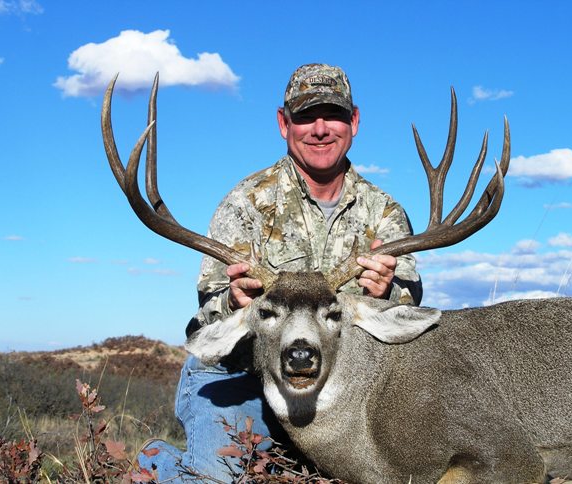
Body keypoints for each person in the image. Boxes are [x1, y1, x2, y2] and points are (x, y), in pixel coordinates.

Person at [138, 63, 422, 482]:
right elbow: (207, 325)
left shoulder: (384, 213)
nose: (320, 129)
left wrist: (387, 292)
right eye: (306, 116)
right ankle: (158, 462)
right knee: (218, 479)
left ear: (354, 121)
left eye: (334, 115)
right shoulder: (247, 203)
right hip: (240, 380)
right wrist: (234, 301)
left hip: (336, 388)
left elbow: (407, 311)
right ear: (283, 123)